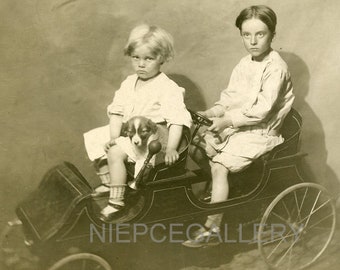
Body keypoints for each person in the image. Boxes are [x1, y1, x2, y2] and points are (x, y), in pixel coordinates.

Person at [183, 5, 294, 247]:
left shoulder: (276, 68)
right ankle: (222, 192)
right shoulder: (244, 63)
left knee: (220, 166)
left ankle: (212, 229)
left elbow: (262, 111)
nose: (253, 41)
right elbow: (230, 98)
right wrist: (210, 113)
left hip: (260, 133)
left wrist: (226, 121)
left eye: (260, 34)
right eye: (246, 35)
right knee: (195, 148)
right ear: (241, 35)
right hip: (237, 128)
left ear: (272, 34)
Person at [83, 24, 191, 221]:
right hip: (132, 132)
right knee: (96, 138)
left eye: (148, 59)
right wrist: (114, 137)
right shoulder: (129, 82)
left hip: (155, 136)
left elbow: (177, 121)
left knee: (115, 152)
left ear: (162, 58)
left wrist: (172, 149)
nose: (141, 64)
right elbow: (117, 111)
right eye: (136, 58)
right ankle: (111, 183)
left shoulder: (167, 88)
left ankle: (117, 202)